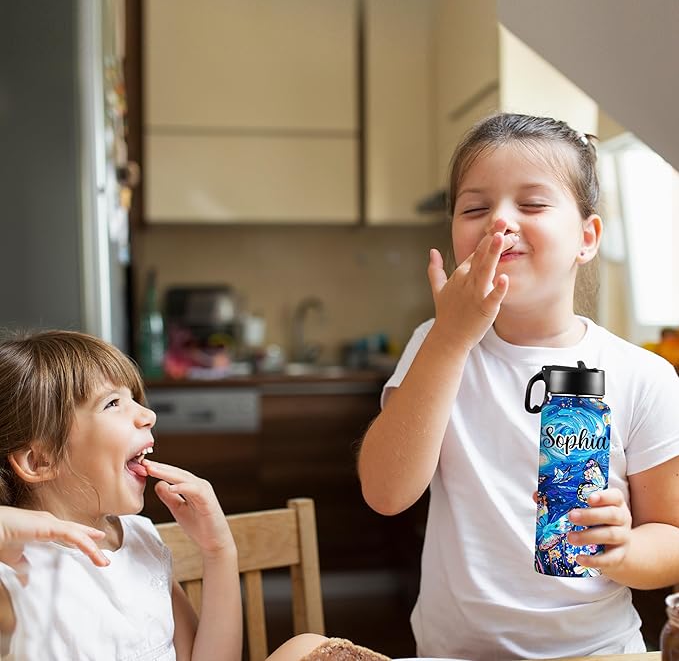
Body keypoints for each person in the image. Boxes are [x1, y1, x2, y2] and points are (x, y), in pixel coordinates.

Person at [358, 112, 679, 660]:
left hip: (599, 652)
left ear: (587, 238)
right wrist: (450, 339)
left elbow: (670, 536)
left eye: (531, 204)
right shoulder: (434, 345)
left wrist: (625, 550)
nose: (499, 221)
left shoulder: (641, 375)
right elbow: (386, 494)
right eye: (474, 208)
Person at [0, 330, 328, 661]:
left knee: (307, 645)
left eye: (134, 398)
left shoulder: (141, 537)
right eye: (112, 403)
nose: (148, 415)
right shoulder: (14, 575)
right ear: (40, 461)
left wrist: (218, 551)